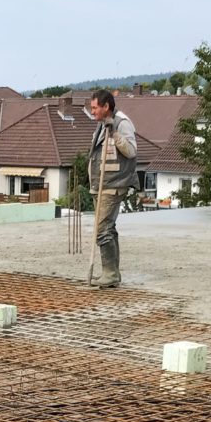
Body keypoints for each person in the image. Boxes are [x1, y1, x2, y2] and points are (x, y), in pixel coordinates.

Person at [86, 89, 137, 288]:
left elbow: (131, 151)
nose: (92, 112)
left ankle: (110, 274)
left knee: (102, 229)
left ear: (106, 106)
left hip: (114, 184)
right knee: (108, 228)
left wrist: (114, 133)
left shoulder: (122, 123)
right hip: (101, 184)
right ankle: (112, 272)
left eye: (95, 108)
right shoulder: (101, 125)